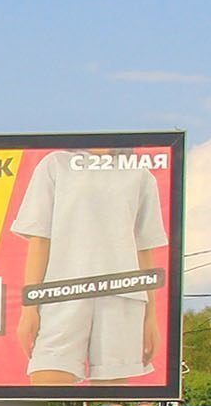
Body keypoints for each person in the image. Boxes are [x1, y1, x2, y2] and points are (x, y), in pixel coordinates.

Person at [11, 149, 169, 384]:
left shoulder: (139, 172)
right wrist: (29, 309)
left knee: (109, 401)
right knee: (45, 387)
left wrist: (150, 317)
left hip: (122, 296)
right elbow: (40, 239)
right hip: (61, 294)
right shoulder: (56, 164)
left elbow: (143, 248)